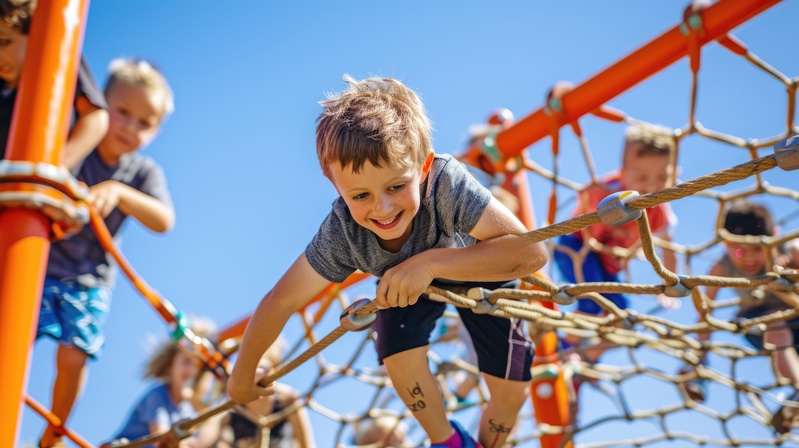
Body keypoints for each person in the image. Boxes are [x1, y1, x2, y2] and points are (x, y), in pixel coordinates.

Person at [228, 75, 548, 448]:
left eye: (396, 186)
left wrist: (429, 264)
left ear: (425, 166)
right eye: (360, 195)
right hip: (406, 285)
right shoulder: (343, 232)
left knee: (511, 391)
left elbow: (530, 254)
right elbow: (281, 300)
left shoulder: (446, 183)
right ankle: (448, 442)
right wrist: (241, 375)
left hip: (477, 266)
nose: (382, 207)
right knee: (397, 350)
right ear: (335, 185)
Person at [35, 57, 175, 448]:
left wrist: (120, 193)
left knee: (75, 355)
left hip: (88, 279)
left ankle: (53, 431)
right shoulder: (78, 144)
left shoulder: (141, 173)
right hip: (40, 265)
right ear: (99, 106)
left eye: (144, 123)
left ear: (156, 130)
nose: (130, 127)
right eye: (122, 112)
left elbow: (164, 220)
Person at [553, 123, 679, 360]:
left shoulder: (661, 211)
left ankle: (588, 356)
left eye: (661, 177)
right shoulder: (609, 191)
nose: (652, 186)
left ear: (674, 174)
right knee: (592, 300)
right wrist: (590, 197)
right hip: (576, 247)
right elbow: (586, 202)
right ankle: (563, 347)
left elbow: (669, 248)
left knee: (624, 319)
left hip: (606, 265)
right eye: (642, 177)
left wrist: (669, 281)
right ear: (623, 173)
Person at [693, 200, 799, 433]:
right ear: (726, 243)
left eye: (758, 249)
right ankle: (796, 391)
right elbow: (705, 314)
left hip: (797, 316)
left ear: (775, 237)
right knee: (773, 322)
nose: (749, 258)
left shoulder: (788, 249)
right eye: (740, 250)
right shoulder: (721, 268)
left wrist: (792, 271)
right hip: (762, 324)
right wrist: (700, 358)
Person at [0, 0, 109, 165]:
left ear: (35, 35)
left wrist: (57, 167)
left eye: (4, 42)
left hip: (41, 180)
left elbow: (95, 117)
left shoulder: (57, 58)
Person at [107, 327, 223, 448]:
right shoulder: (158, 396)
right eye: (186, 362)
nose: (192, 372)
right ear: (170, 367)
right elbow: (163, 442)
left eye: (197, 367)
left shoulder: (187, 410)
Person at [221, 335, 316, 448]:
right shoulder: (232, 407)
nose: (257, 377)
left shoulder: (287, 400)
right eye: (251, 371)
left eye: (262, 368)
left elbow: (307, 445)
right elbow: (206, 434)